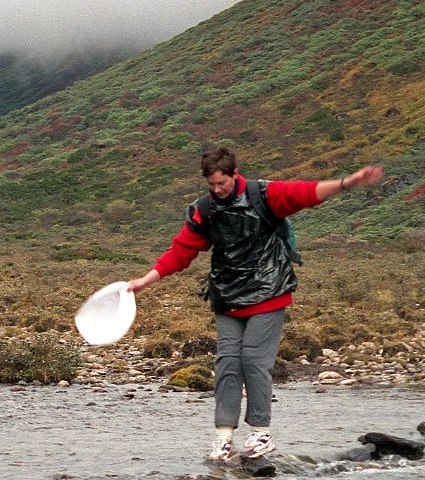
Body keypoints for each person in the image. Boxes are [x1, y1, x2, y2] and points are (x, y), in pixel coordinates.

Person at [126, 146, 383, 462]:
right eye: (212, 186)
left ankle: (260, 433)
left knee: (253, 360)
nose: (218, 190)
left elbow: (306, 192)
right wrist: (145, 281)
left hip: (269, 291)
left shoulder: (265, 194)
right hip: (228, 296)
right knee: (228, 364)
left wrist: (348, 182)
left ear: (235, 174)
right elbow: (181, 252)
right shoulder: (203, 211)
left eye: (223, 183)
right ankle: (223, 439)